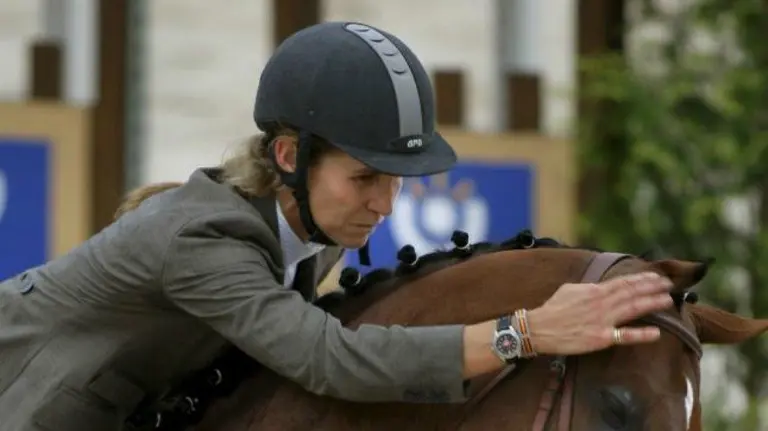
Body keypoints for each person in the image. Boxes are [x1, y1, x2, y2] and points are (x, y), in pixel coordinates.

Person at [0, 21, 674, 431]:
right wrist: (523, 332)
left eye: (395, 179)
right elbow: (329, 358)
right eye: (364, 177)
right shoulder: (204, 240)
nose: (384, 204)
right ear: (290, 157)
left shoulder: (311, 235)